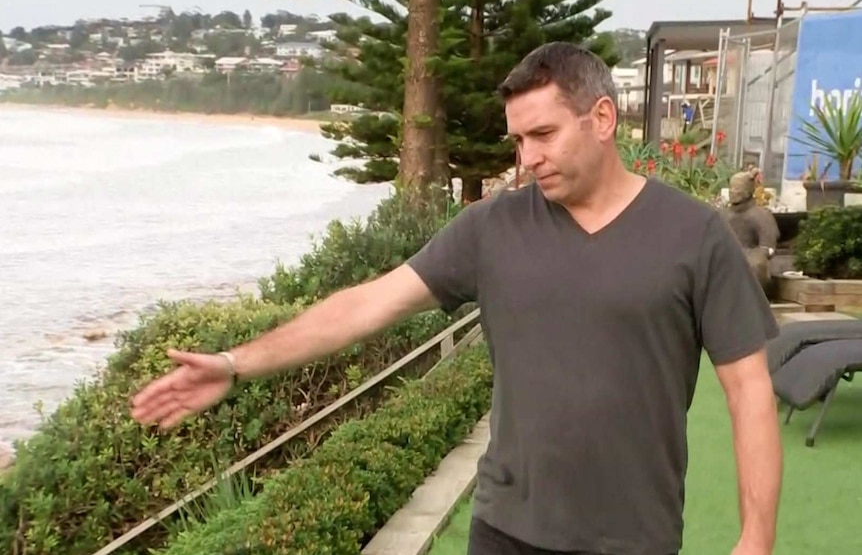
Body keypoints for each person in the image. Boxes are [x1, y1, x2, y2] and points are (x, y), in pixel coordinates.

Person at [130, 42, 783, 555]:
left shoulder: (694, 235)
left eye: (544, 134)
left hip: (634, 539)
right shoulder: (491, 229)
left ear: (603, 118)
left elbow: (749, 389)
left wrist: (756, 539)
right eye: (517, 140)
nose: (527, 158)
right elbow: (366, 305)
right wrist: (236, 362)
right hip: (506, 532)